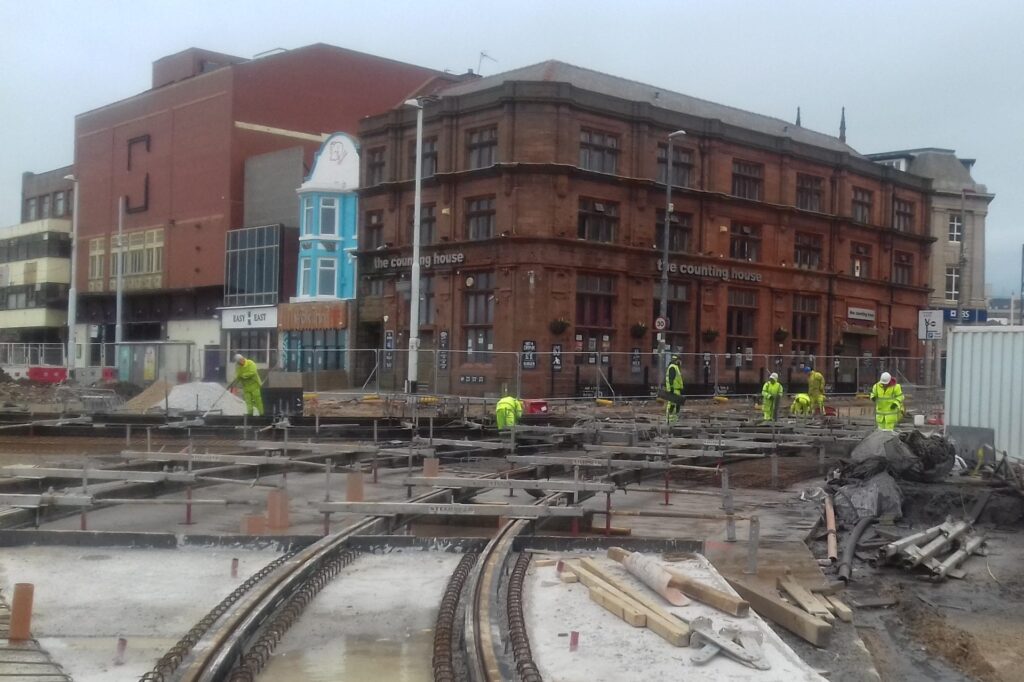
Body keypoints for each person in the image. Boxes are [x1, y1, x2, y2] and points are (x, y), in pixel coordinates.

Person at [664, 354, 684, 425]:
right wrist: (672, 388)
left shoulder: (674, 367)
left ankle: (674, 421)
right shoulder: (673, 367)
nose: (680, 363)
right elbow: (671, 379)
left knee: (676, 405)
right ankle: (670, 421)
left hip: (676, 390)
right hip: (674, 390)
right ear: (677, 360)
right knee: (672, 405)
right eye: (679, 361)